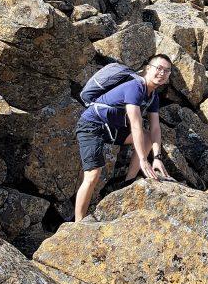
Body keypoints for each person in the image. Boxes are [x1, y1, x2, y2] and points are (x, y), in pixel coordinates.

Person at [74, 54, 173, 221]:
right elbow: (135, 124)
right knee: (93, 174)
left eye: (167, 71)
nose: (162, 73)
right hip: (91, 126)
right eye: (159, 68)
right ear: (148, 69)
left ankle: (128, 184)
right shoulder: (135, 87)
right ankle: (78, 224)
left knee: (148, 137)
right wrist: (143, 159)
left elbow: (155, 128)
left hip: (111, 129)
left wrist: (157, 157)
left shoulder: (153, 96)